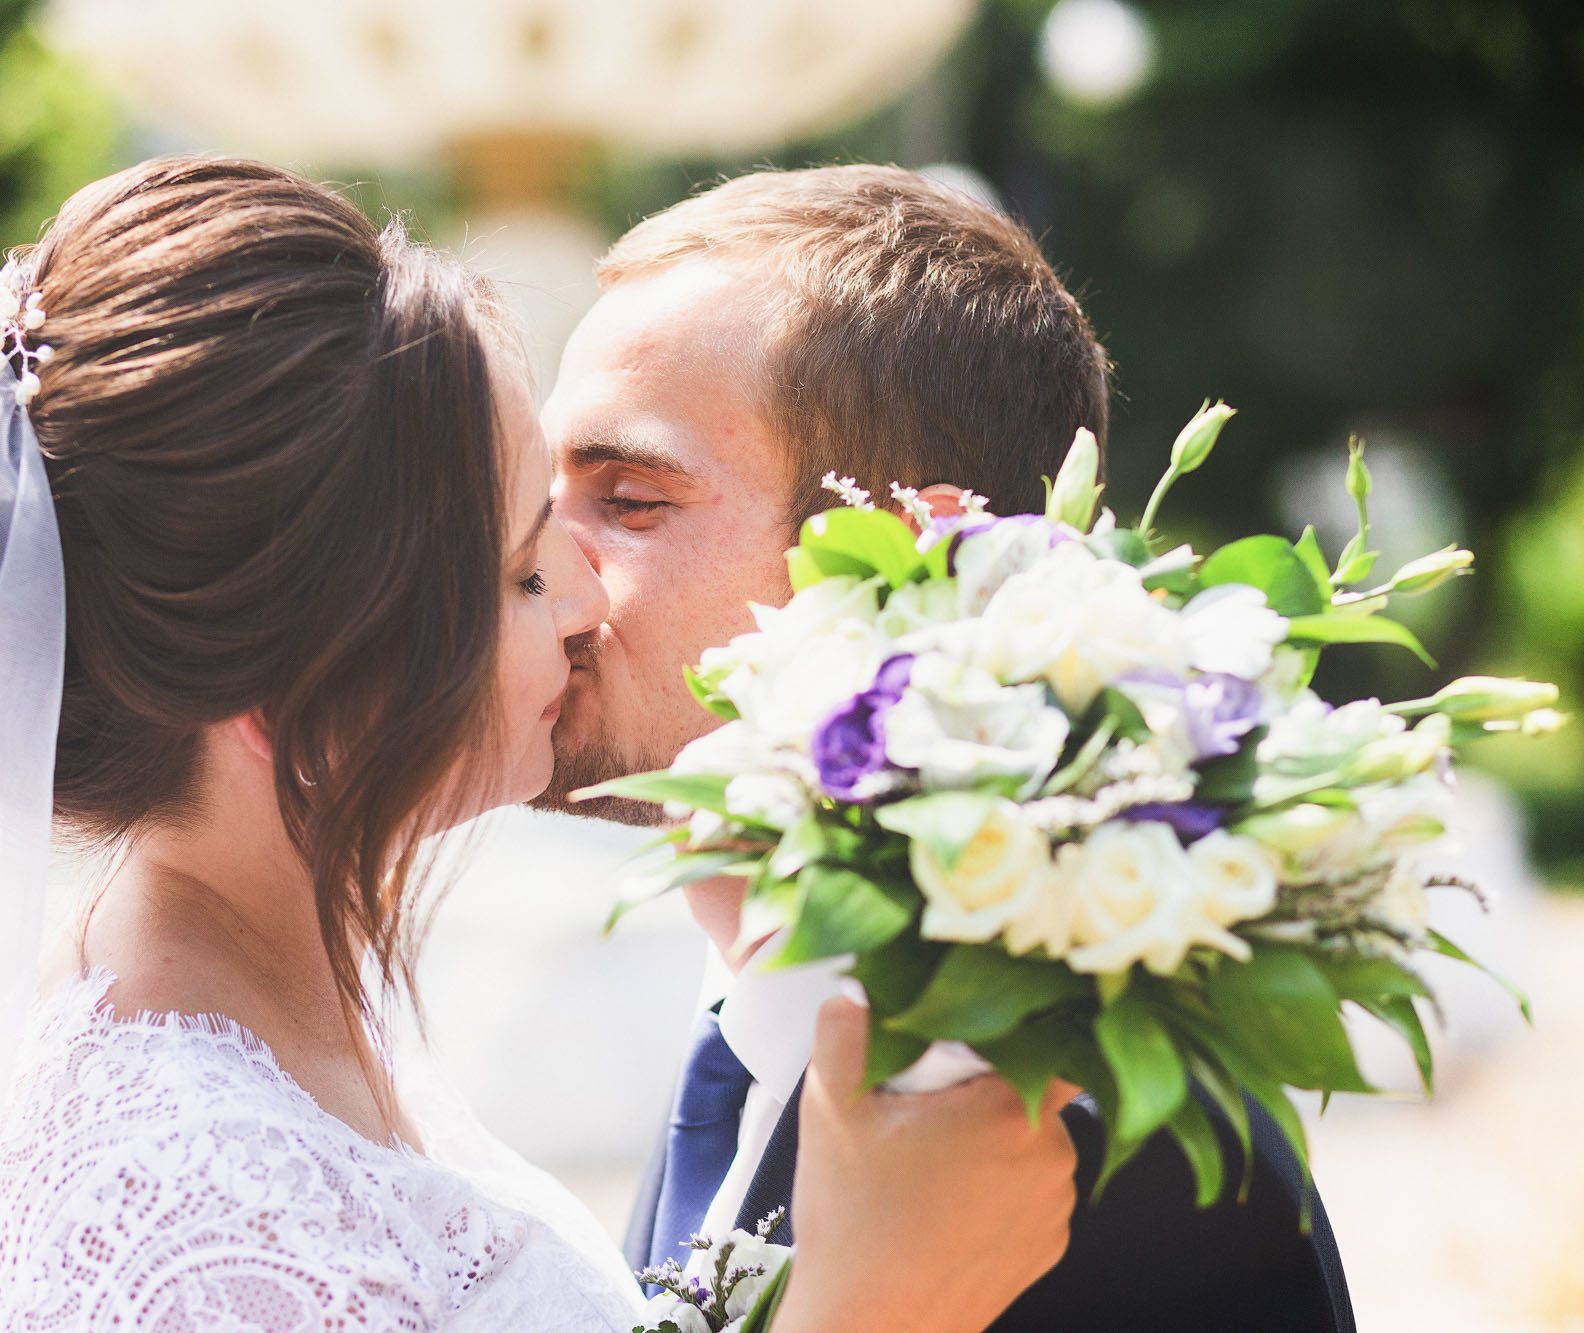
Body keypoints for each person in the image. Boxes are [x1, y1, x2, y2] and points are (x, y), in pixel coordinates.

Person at [0, 156, 1078, 1333]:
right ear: (299, 680)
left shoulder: (293, 1034)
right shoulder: (178, 1196)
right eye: (515, 563)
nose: (574, 601)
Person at [537, 164, 1357, 1332]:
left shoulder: (1079, 1157)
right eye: (538, 492)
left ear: (910, 553)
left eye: (628, 500)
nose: (535, 565)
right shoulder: (743, 1026)